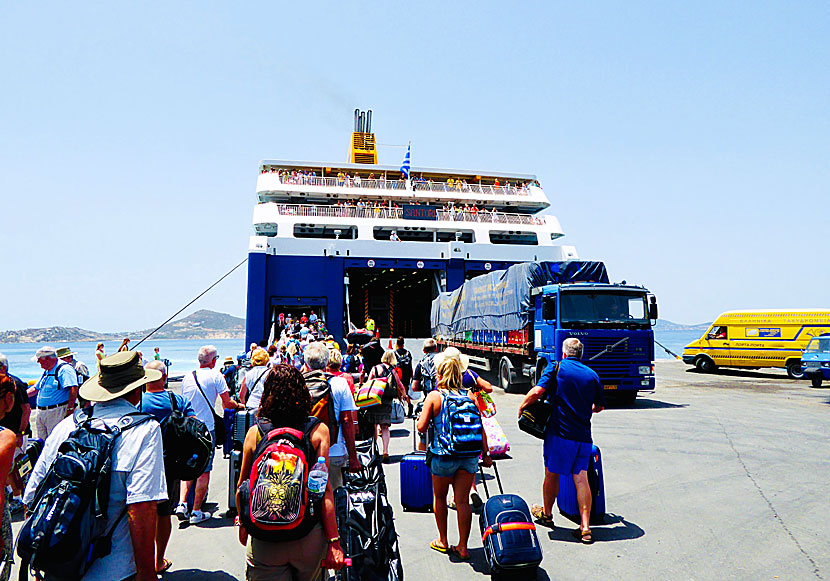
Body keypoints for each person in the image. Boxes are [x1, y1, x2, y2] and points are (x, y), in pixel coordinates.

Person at [24, 351, 167, 581]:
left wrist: (42, 555)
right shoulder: (145, 431)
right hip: (115, 569)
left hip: (59, 566)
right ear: (137, 390)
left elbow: (33, 494)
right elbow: (141, 508)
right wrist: (147, 573)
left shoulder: (67, 425)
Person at [235, 365, 346, 580]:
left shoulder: (255, 433)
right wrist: (334, 542)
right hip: (307, 534)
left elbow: (242, 485)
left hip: (264, 538)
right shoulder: (317, 431)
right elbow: (324, 491)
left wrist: (243, 522)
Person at [518, 338, 605, 544]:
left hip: (559, 434)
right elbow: (599, 406)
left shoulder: (556, 367)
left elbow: (538, 391)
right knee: (581, 479)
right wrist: (585, 410)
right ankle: (585, 527)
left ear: (564, 353)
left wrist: (522, 406)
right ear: (581, 355)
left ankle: (547, 514)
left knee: (552, 474)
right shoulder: (592, 375)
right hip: (583, 436)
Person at [416, 355, 490, 561]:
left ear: (440, 374)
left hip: (444, 455)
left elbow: (421, 427)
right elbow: (481, 428)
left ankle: (443, 540)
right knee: (463, 501)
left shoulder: (435, 396)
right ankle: (463, 546)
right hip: (469, 456)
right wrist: (487, 455)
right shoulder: (471, 396)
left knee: (440, 497)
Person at [139, 360, 195, 576]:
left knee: (140, 511)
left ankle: (140, 561)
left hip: (142, 463)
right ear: (164, 377)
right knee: (163, 515)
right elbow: (193, 425)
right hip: (170, 463)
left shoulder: (137, 401)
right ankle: (158, 560)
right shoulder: (177, 400)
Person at [177, 345, 244, 524]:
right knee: (204, 470)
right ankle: (197, 511)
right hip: (206, 428)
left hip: (187, 427)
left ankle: (182, 503)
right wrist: (239, 405)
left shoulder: (188, 376)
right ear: (214, 360)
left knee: (189, 466)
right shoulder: (216, 376)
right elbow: (227, 403)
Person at [302, 342, 358, 490]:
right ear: (327, 362)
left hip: (303, 451)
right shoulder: (340, 383)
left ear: (305, 362)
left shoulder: (297, 383)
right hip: (333, 450)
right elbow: (347, 421)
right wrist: (353, 457)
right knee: (332, 495)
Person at [0, 354, 32, 514]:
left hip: (17, 431)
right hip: (5, 431)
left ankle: (19, 499)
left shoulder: (15, 384)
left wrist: (21, 432)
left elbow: (26, 409)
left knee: (16, 468)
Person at [365, 350, 410, 462]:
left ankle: (374, 449)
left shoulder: (375, 368)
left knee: (374, 425)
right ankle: (385, 451)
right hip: (387, 401)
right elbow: (400, 385)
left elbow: (368, 382)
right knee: (385, 427)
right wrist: (404, 395)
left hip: (375, 399)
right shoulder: (393, 371)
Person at [31, 346, 79, 440]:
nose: (38, 362)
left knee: (55, 440)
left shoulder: (64, 369)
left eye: (39, 360)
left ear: (47, 359)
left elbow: (73, 387)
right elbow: (35, 388)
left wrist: (70, 408)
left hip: (56, 411)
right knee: (42, 441)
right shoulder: (47, 371)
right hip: (42, 412)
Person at [411, 338, 439, 451]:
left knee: (424, 436)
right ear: (436, 349)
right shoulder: (442, 362)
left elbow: (414, 387)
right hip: (443, 400)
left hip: (428, 401)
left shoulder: (420, 364)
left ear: (423, 350)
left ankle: (423, 461)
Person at [394, 337, 414, 414]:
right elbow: (410, 365)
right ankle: (409, 404)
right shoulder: (408, 353)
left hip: (399, 374)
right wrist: (412, 375)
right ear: (403, 344)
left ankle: (401, 408)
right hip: (407, 374)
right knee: (405, 391)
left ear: (397, 344)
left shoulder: (395, 353)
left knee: (399, 392)